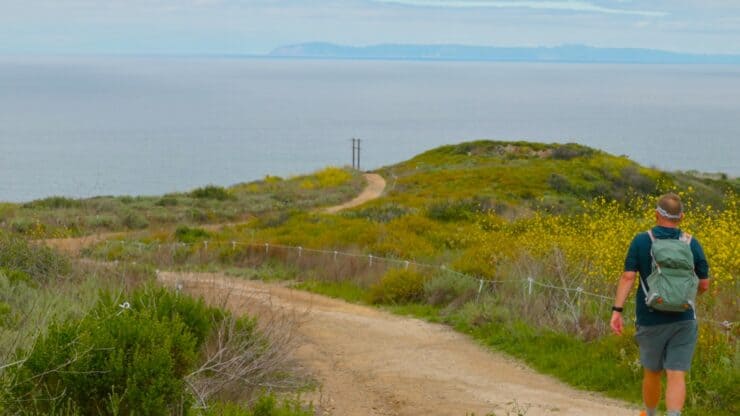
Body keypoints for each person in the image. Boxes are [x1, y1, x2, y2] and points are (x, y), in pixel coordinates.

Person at [610, 193, 710, 416]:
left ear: (656, 214)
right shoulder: (691, 243)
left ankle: (651, 413)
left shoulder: (642, 240)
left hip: (650, 319)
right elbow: (703, 284)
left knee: (653, 372)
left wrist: (617, 310)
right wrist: (684, 299)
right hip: (684, 319)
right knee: (676, 373)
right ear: (681, 217)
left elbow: (628, 277)